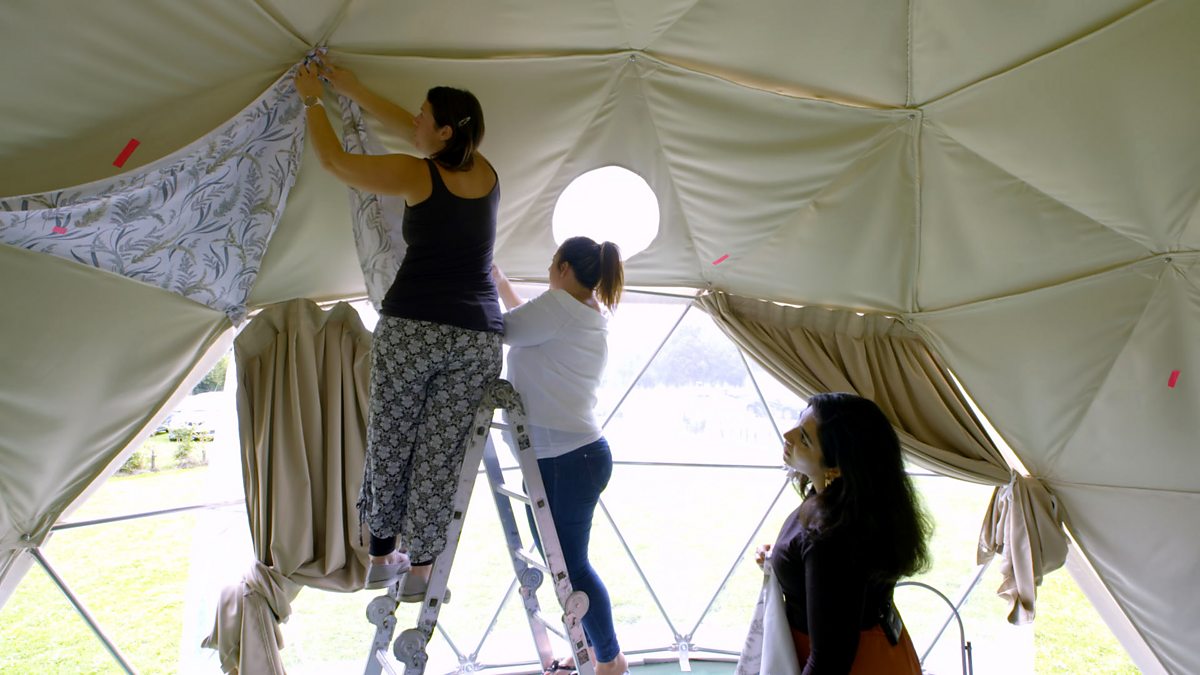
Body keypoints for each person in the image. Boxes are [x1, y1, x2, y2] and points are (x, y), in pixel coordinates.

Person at [294, 61, 504, 597]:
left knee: (392, 438)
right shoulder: (485, 172)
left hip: (414, 329)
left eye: (423, 116)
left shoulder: (418, 175)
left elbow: (335, 161)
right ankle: (421, 571)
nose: (413, 121)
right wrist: (355, 90)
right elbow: (413, 129)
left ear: (445, 131)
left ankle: (383, 555)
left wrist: (313, 99)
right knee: (439, 454)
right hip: (478, 338)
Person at [491, 237, 629, 675]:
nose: (550, 272)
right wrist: (499, 282)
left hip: (566, 460)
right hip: (575, 456)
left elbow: (506, 327)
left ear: (564, 268)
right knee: (567, 565)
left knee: (571, 568)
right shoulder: (581, 311)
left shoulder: (558, 308)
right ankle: (594, 649)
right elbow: (530, 321)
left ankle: (609, 660)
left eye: (552, 264)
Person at [754, 393, 932, 674]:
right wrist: (784, 559)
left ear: (836, 466)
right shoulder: (846, 504)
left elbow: (830, 661)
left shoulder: (832, 534)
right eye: (798, 424)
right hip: (877, 651)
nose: (788, 435)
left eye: (805, 438)